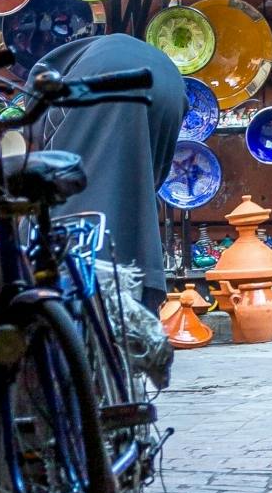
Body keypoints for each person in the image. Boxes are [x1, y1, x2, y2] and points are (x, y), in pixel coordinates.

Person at [36, 28, 187, 310]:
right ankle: (136, 304)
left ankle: (84, 308)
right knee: (140, 188)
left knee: (71, 202)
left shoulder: (46, 85)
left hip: (105, 78)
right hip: (170, 82)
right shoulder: (79, 57)